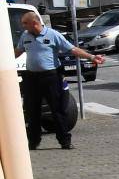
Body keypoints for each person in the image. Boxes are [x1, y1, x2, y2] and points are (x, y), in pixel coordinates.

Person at [13, 11, 104, 150]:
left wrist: (91, 57)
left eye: (25, 23)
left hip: (51, 77)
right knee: (32, 111)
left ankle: (65, 141)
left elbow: (72, 49)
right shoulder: (25, 36)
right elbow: (17, 52)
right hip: (31, 77)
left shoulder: (53, 35)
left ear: (34, 23)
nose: (23, 25)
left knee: (57, 110)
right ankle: (33, 142)